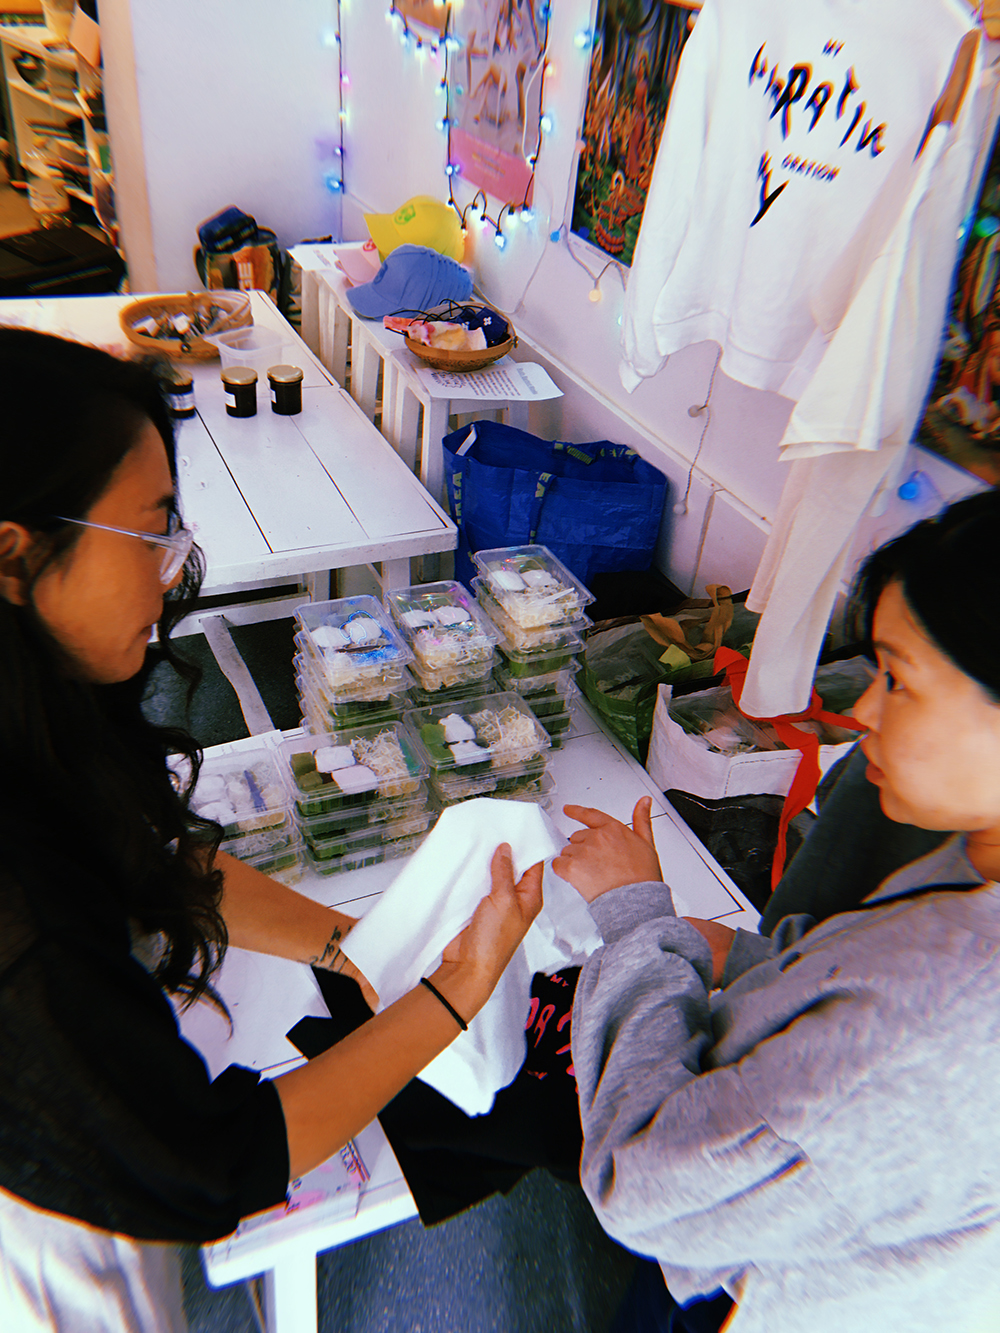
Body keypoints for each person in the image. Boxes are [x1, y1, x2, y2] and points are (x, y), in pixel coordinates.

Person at [0, 328, 543, 1332]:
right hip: (49, 1240)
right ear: (13, 552)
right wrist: (451, 991)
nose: (173, 574)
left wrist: (349, 946)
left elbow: (154, 855)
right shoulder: (23, 922)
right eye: (152, 532)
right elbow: (208, 1157)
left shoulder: (43, 710)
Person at [554, 488, 1000, 1332]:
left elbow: (640, 1179)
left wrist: (638, 916)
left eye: (899, 681)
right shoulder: (974, 855)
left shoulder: (925, 1027)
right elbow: (867, 958)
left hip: (757, 1289)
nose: (861, 714)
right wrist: (753, 960)